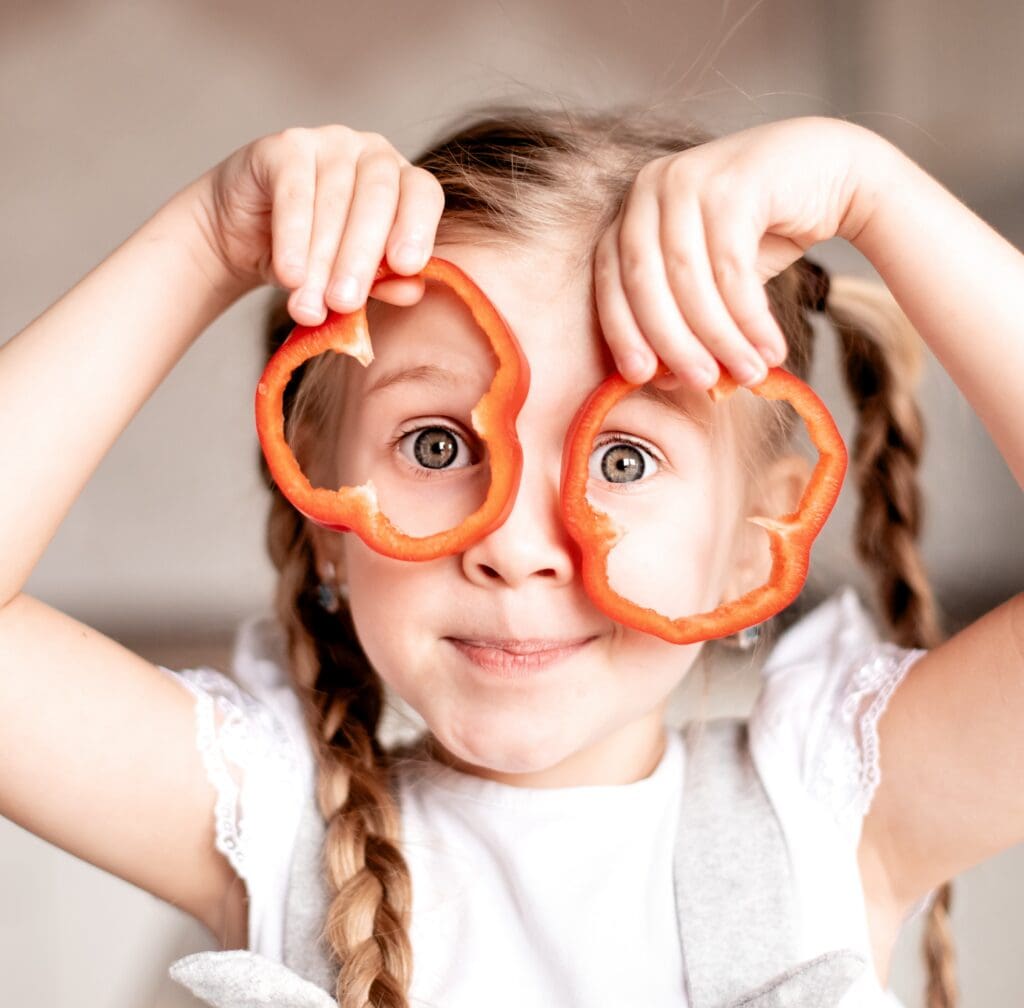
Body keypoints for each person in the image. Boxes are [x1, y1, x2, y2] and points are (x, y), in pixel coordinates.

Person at [1, 107, 1021, 1008]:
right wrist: (209, 240)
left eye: (622, 458)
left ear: (758, 542)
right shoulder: (262, 823)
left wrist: (873, 191)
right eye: (436, 446)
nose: (518, 547)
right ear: (326, 516)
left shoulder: (832, 816)